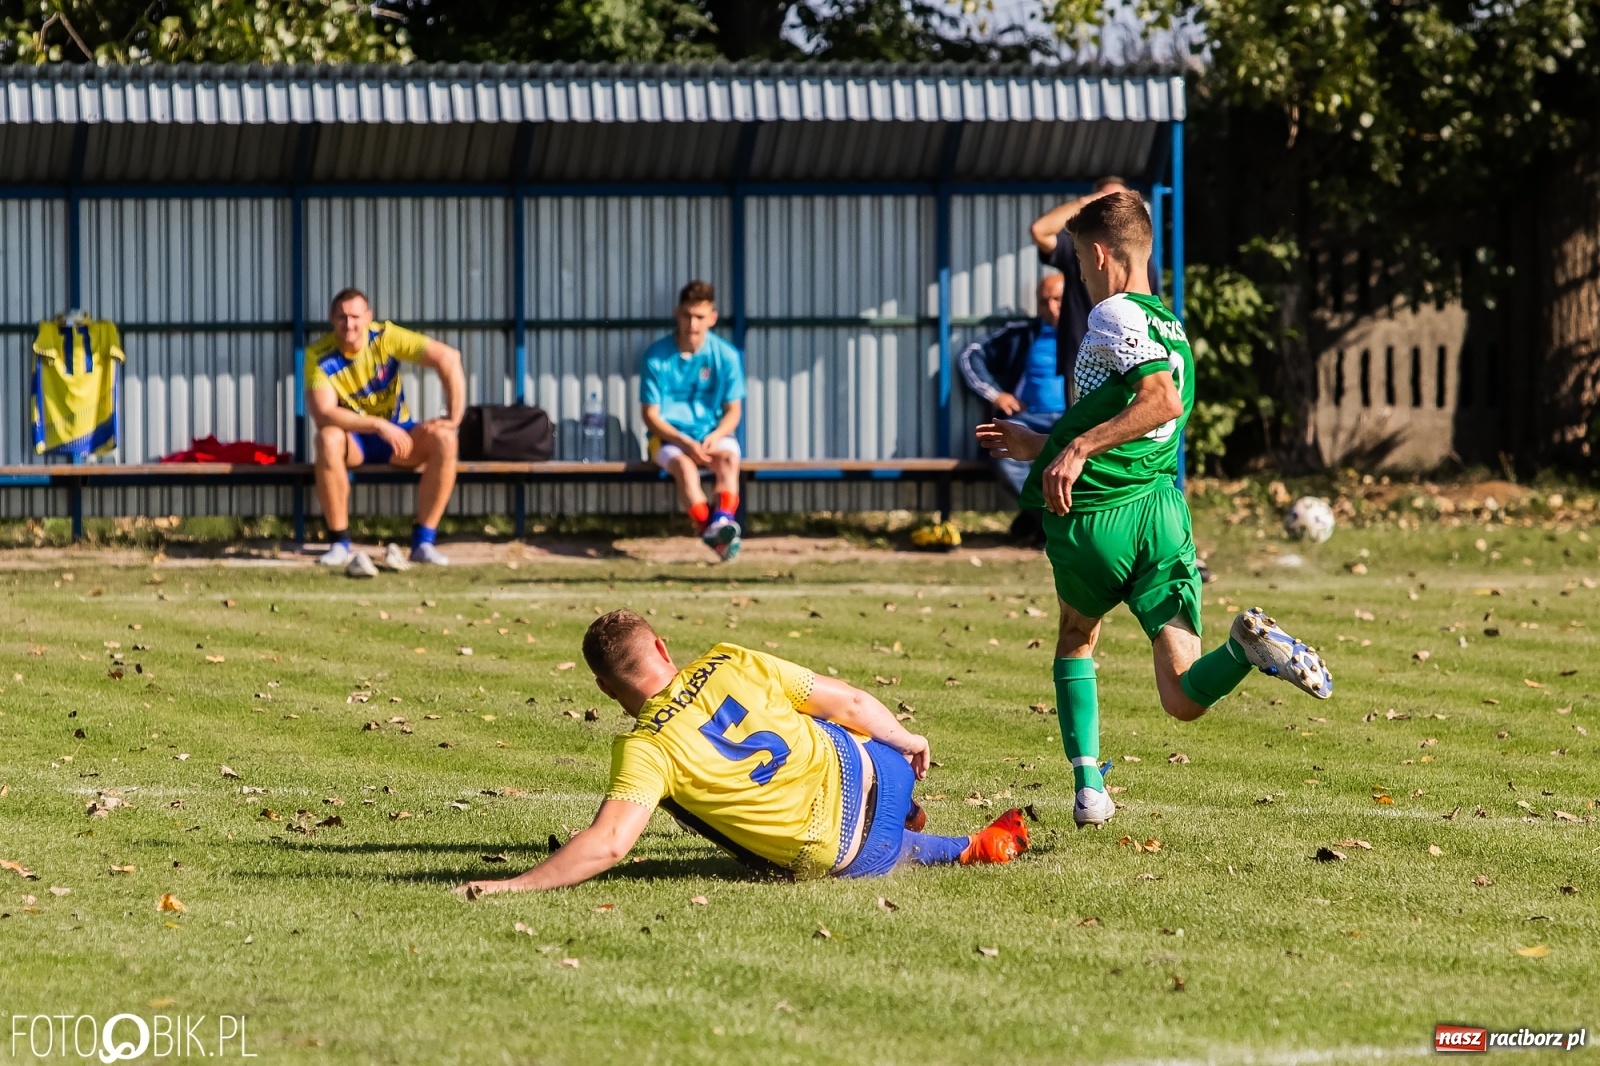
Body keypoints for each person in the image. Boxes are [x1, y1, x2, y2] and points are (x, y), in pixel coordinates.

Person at [977, 192, 1333, 830]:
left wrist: (1075, 450)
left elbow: (1159, 400)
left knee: (1076, 636)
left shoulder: (1111, 312)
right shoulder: (1168, 323)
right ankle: (1246, 650)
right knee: (1183, 696)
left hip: (1099, 516)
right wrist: (1045, 443)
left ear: (1100, 255)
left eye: (1079, 263)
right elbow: (1127, 413)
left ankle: (1088, 786)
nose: (1080, 277)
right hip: (1161, 514)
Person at [456, 611, 1030, 896]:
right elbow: (852, 702)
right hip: (883, 770)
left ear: (606, 689)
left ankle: (965, 846)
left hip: (850, 852)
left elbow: (608, 844)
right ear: (661, 647)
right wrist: (906, 741)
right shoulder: (730, 659)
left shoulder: (644, 749)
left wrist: (514, 885)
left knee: (698, 804)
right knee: (809, 717)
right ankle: (911, 810)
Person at [305, 288, 465, 575]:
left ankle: (423, 543)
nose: (349, 324)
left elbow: (449, 358)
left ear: (368, 317)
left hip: (399, 437)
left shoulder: (386, 337)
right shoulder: (317, 355)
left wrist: (453, 418)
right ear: (331, 319)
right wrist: (378, 425)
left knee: (445, 439)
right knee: (327, 437)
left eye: (355, 317)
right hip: (356, 439)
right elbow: (324, 413)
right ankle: (340, 544)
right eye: (342, 317)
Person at [957, 273, 1068, 543]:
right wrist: (995, 394)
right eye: (1044, 302)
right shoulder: (1022, 334)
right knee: (1001, 453)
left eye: (1058, 300)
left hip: (1071, 420)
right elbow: (970, 355)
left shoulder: (1092, 333)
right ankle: (1048, 521)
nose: (1052, 308)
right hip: (1027, 419)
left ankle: (1039, 522)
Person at [640, 281, 746, 563]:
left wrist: (716, 436)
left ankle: (718, 527)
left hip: (711, 434)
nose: (693, 324)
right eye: (687, 315)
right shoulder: (656, 356)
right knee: (685, 469)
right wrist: (684, 442)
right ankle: (718, 534)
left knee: (729, 460)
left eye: (700, 316)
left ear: (713, 317)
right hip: (668, 439)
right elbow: (650, 415)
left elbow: (734, 411)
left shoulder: (727, 356)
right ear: (677, 313)